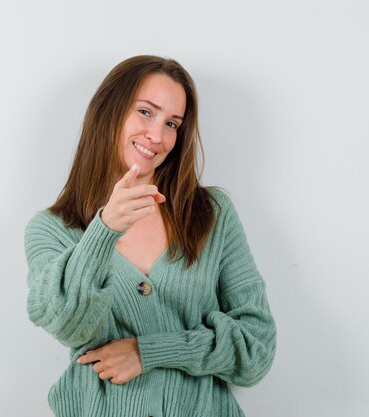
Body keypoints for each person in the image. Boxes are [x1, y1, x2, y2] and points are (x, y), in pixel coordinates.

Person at [24, 55, 276, 417]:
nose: (157, 136)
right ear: (109, 110)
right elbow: (67, 324)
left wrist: (151, 351)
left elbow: (257, 350)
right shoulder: (51, 230)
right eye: (146, 112)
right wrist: (104, 229)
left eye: (172, 123)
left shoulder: (210, 214)